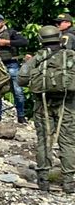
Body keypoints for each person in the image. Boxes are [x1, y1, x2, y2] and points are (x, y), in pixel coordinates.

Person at [23, 25, 75, 194]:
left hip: (42, 103)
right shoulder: (71, 56)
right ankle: (68, 182)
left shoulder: (38, 57)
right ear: (60, 38)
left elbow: (21, 80)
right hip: (67, 104)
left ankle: (43, 180)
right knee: (67, 142)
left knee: (44, 140)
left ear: (41, 39)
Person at [0, 14, 29, 123]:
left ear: (3, 22)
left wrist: (7, 42)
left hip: (11, 63)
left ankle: (21, 115)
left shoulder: (11, 33)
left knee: (18, 91)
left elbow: (24, 42)